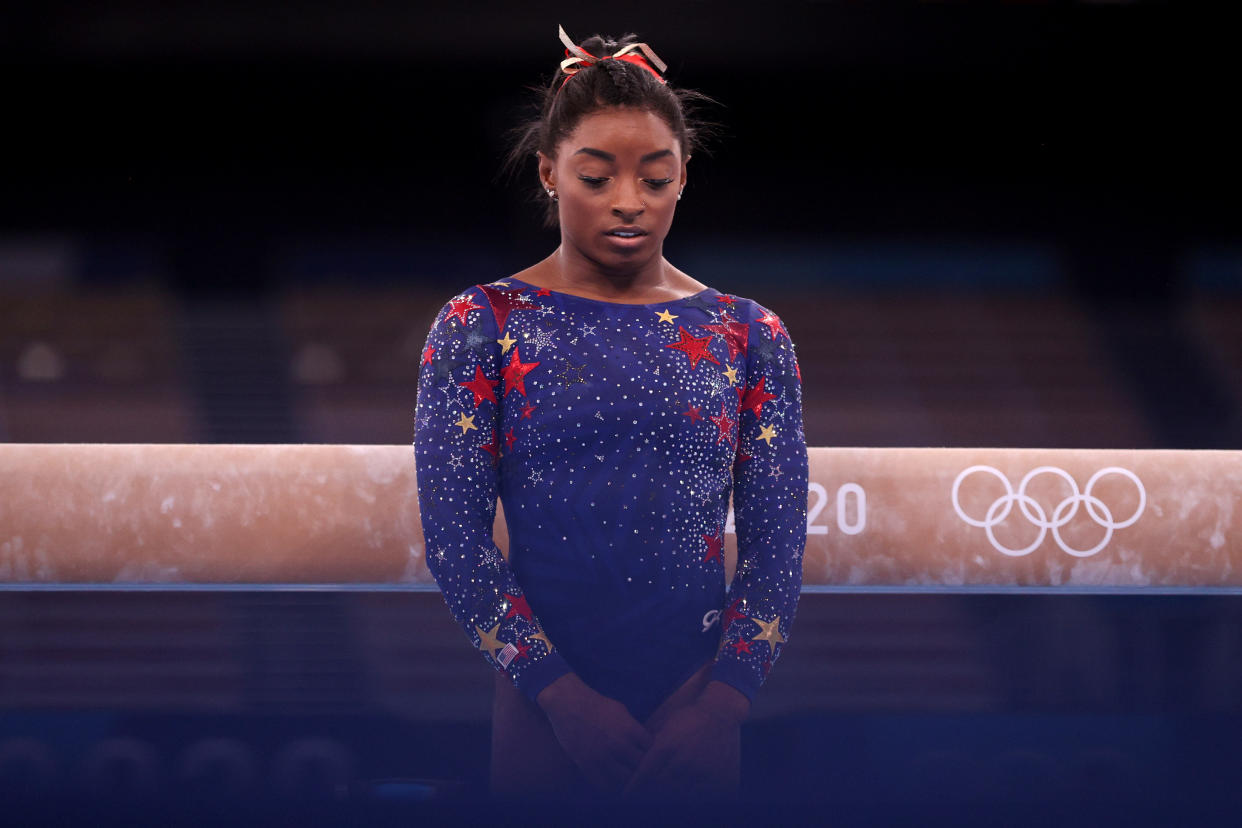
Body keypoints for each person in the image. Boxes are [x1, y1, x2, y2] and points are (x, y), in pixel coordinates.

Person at [413, 25, 808, 802]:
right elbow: (455, 539)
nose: (629, 201)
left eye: (654, 179)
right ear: (549, 173)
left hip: (695, 697)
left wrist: (726, 703)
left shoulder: (748, 334)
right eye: (597, 177)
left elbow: (777, 543)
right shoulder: (482, 322)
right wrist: (558, 693)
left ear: (684, 178)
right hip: (545, 692)